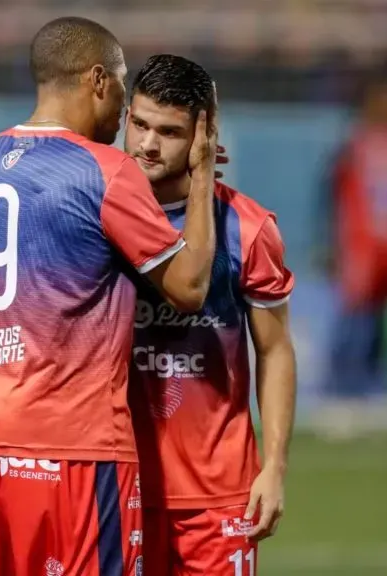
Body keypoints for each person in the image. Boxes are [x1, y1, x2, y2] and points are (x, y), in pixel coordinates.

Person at [0, 17, 219, 576]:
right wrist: (204, 174)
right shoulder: (106, 172)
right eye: (119, 85)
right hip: (77, 444)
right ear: (96, 80)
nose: (123, 113)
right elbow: (188, 288)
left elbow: (29, 313)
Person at [121, 54, 297, 576]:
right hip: (118, 483)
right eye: (140, 125)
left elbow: (274, 350)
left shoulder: (247, 227)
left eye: (170, 132)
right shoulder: (97, 217)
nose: (149, 145)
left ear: (204, 134)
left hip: (219, 494)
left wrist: (275, 466)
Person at [317, 77, 387, 439]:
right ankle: (338, 395)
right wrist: (330, 243)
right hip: (361, 246)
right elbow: (329, 192)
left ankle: (374, 394)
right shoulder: (354, 146)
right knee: (353, 321)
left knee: (380, 319)